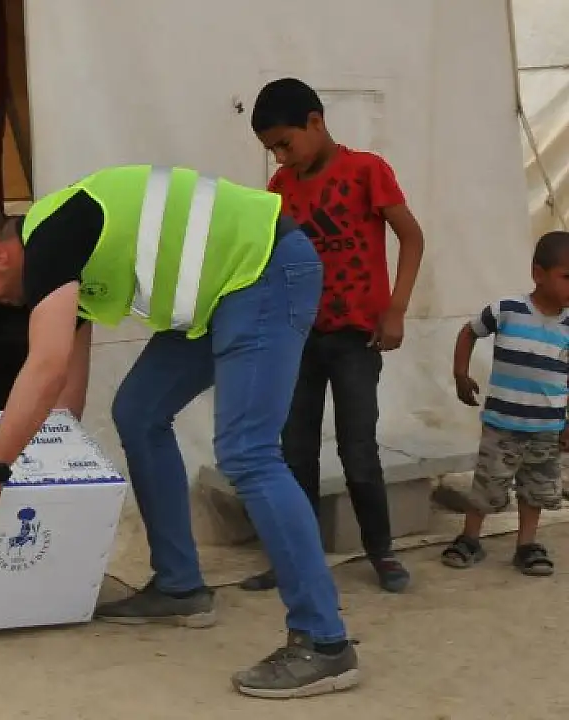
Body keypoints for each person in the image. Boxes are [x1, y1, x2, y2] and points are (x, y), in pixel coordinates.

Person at [0, 165, 359, 699]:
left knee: (247, 453)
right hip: (222, 293)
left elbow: (44, 366)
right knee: (138, 412)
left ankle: (324, 643)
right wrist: (47, 467)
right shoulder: (63, 261)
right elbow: (63, 391)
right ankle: (180, 588)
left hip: (264, 268)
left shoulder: (52, 235)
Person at [239, 78, 426, 593]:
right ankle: (296, 556)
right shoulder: (280, 189)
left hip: (356, 338)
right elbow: (269, 257)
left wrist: (396, 309)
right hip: (297, 337)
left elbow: (412, 238)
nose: (281, 157)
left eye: (285, 143)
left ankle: (382, 552)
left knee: (357, 448)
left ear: (316, 122)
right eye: (272, 150)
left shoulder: (367, 170)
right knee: (294, 451)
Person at [442, 230, 569, 576]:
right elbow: (469, 331)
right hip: (502, 425)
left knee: (535, 488)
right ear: (538, 274)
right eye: (566, 276)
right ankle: (470, 538)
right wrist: (460, 373)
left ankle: (526, 545)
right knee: (487, 483)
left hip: (546, 430)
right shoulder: (508, 310)